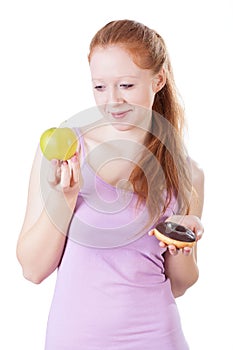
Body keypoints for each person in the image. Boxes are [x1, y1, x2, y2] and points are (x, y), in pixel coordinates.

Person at [16, 19, 204, 350]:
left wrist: (182, 243)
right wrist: (66, 198)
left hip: (158, 337)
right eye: (100, 87)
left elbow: (180, 283)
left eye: (127, 86)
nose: (112, 101)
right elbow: (32, 270)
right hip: (75, 340)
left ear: (158, 80)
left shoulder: (186, 171)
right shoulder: (66, 148)